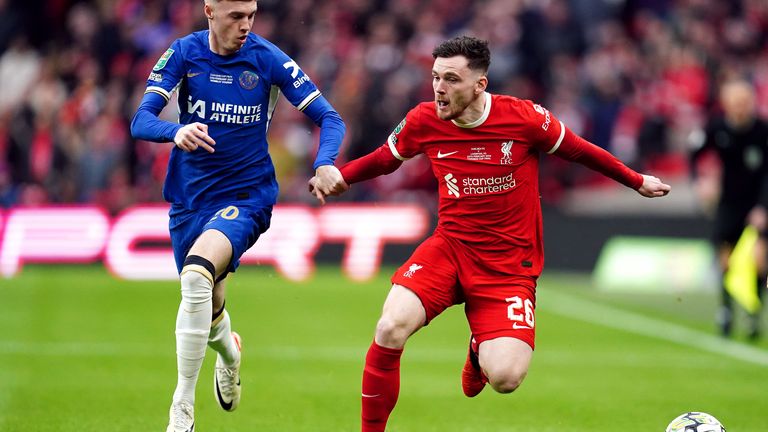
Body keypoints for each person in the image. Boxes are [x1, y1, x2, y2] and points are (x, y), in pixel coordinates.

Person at [310, 36, 670, 432]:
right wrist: (342, 176)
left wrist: (636, 181)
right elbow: (385, 158)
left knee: (506, 378)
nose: (439, 88)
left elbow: (582, 151)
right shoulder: (423, 120)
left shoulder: (525, 118)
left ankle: (480, 345)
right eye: (434, 77)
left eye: (451, 79)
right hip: (450, 248)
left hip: (508, 266)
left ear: (480, 85)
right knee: (390, 325)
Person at [130, 1, 346, 430]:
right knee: (208, 303)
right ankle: (230, 351)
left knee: (195, 275)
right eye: (235, 16)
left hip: (247, 197)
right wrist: (177, 130)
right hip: (190, 200)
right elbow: (140, 120)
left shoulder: (266, 58)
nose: (246, 25)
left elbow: (329, 117)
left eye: (251, 15)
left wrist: (324, 161)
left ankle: (181, 411)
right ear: (209, 11)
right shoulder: (184, 53)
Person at [690, 79, 768, 340]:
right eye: (735, 104)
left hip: (759, 201)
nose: (740, 109)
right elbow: (694, 153)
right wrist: (700, 181)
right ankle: (725, 310)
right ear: (726, 105)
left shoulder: (762, 131)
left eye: (744, 103)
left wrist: (763, 207)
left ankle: (754, 311)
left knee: (759, 259)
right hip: (730, 203)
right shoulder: (717, 128)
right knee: (726, 259)